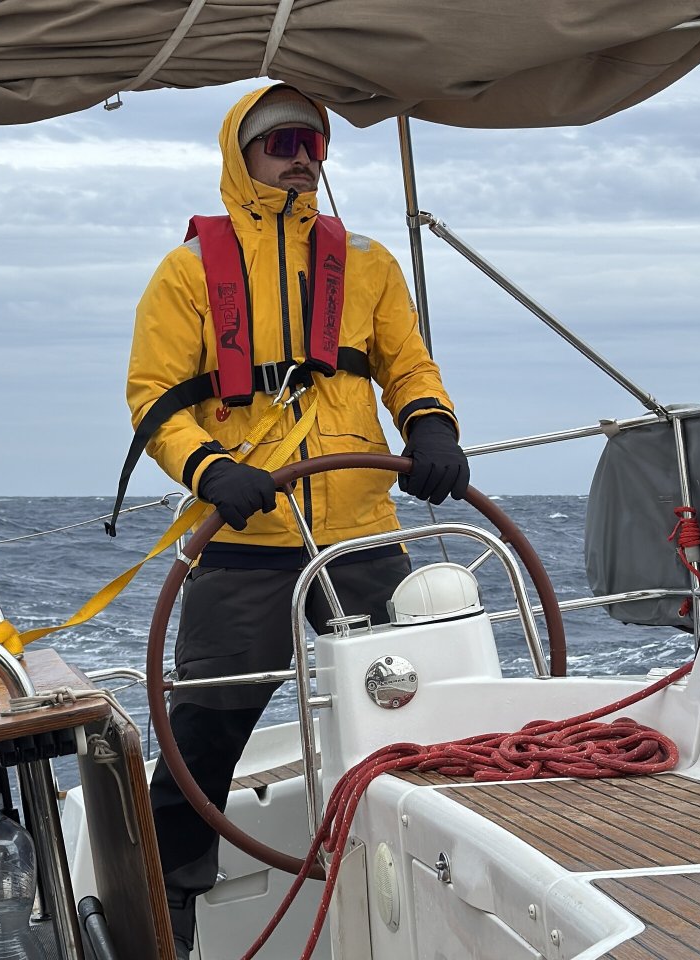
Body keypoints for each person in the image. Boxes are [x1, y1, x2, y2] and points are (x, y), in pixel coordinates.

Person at [124, 84, 471, 959]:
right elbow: (155, 401)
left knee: (428, 710)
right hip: (244, 536)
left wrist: (431, 425)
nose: (301, 156)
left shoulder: (369, 264)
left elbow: (408, 366)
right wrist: (210, 469)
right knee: (201, 738)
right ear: (240, 155)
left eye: (312, 142)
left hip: (358, 527)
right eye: (281, 142)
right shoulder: (186, 273)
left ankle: (456, 880)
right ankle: (167, 925)